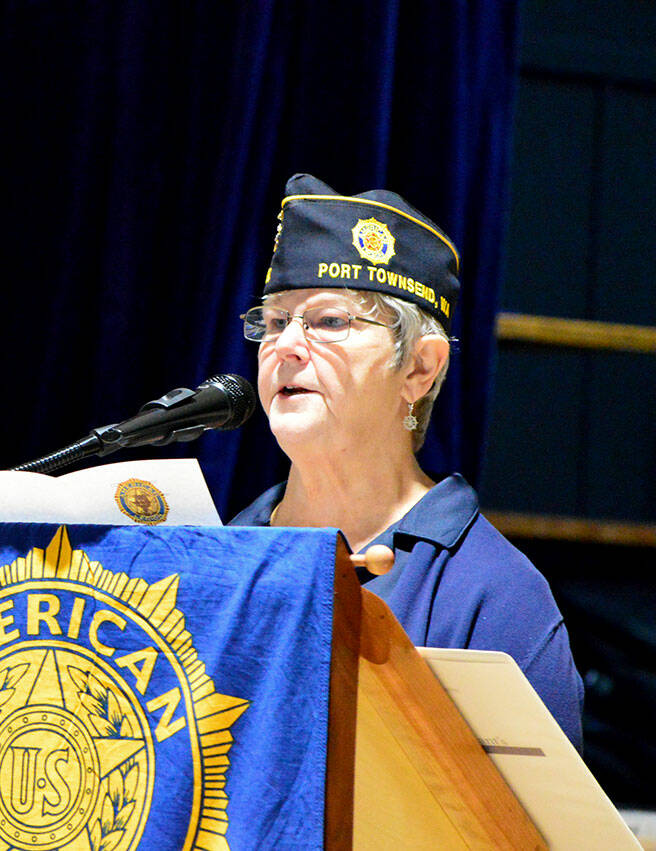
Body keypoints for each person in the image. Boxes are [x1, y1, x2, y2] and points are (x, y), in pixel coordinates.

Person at [229, 174, 585, 749]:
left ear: (419, 369)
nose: (286, 345)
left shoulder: (492, 593)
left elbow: (536, 833)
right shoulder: (222, 552)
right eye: (274, 321)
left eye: (328, 321)